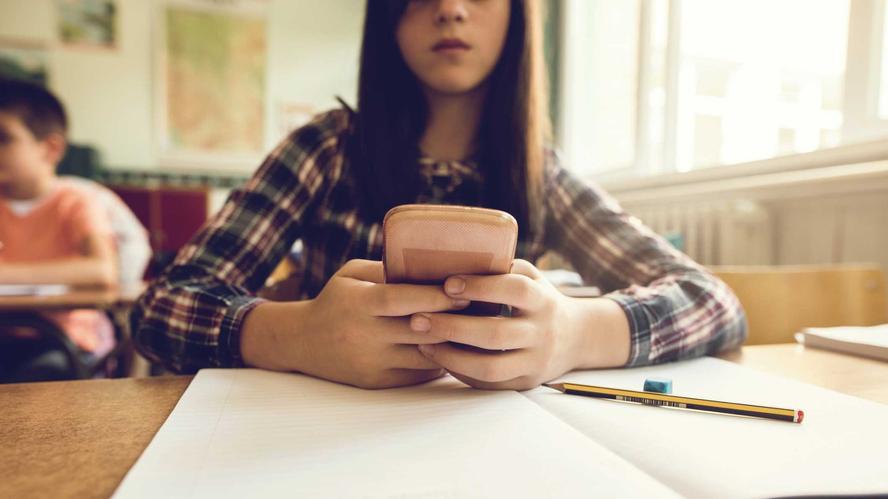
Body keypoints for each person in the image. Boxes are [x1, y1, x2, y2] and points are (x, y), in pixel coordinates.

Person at [132, 0, 746, 390]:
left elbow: (712, 302)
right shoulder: (325, 148)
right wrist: (299, 335)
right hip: (327, 446)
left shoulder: (543, 175)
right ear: (388, 18)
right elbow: (161, 310)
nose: (450, 9)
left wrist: (575, 334)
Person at [0, 78, 118, 382]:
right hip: (6, 332)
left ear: (50, 148)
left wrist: (7, 274)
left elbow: (102, 270)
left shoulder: (76, 200)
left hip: (63, 340)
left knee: (37, 377)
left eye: (3, 138)